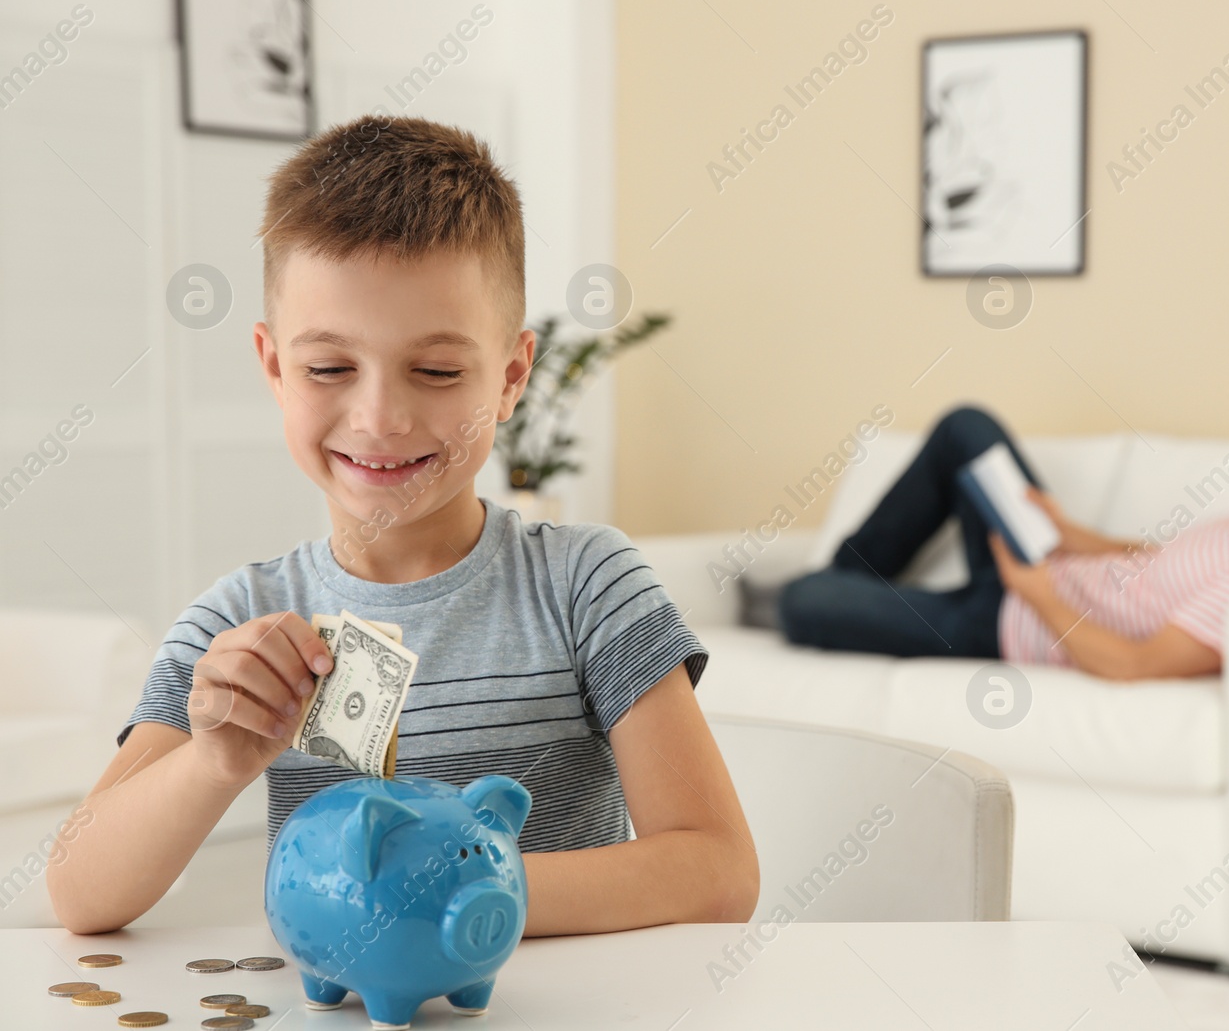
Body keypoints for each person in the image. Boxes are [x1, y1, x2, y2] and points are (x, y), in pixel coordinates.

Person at [47, 116, 759, 935]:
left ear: (511, 376)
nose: (380, 417)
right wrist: (212, 760)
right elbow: (77, 891)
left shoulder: (585, 585)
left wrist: (444, 895)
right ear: (274, 367)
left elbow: (718, 866)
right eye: (328, 367)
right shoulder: (240, 620)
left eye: (437, 370)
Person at [778, 403, 1229, 680]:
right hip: (1040, 565)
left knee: (803, 602)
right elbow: (1159, 566)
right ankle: (859, 582)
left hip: (1006, 622)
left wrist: (1036, 593)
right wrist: (1071, 538)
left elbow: (1133, 666)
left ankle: (847, 591)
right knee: (965, 428)